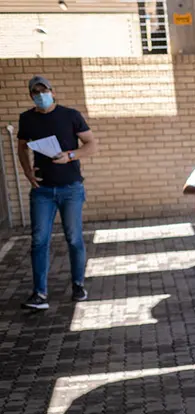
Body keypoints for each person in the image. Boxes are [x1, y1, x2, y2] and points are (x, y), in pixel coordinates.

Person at [17, 75, 99, 310]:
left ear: (53, 92)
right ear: (31, 96)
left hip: (70, 188)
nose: (40, 95)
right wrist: (27, 172)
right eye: (35, 92)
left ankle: (78, 285)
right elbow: (21, 147)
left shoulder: (70, 115)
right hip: (41, 190)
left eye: (44, 91)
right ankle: (40, 294)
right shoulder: (27, 119)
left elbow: (92, 145)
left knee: (73, 238)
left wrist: (70, 156)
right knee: (39, 241)